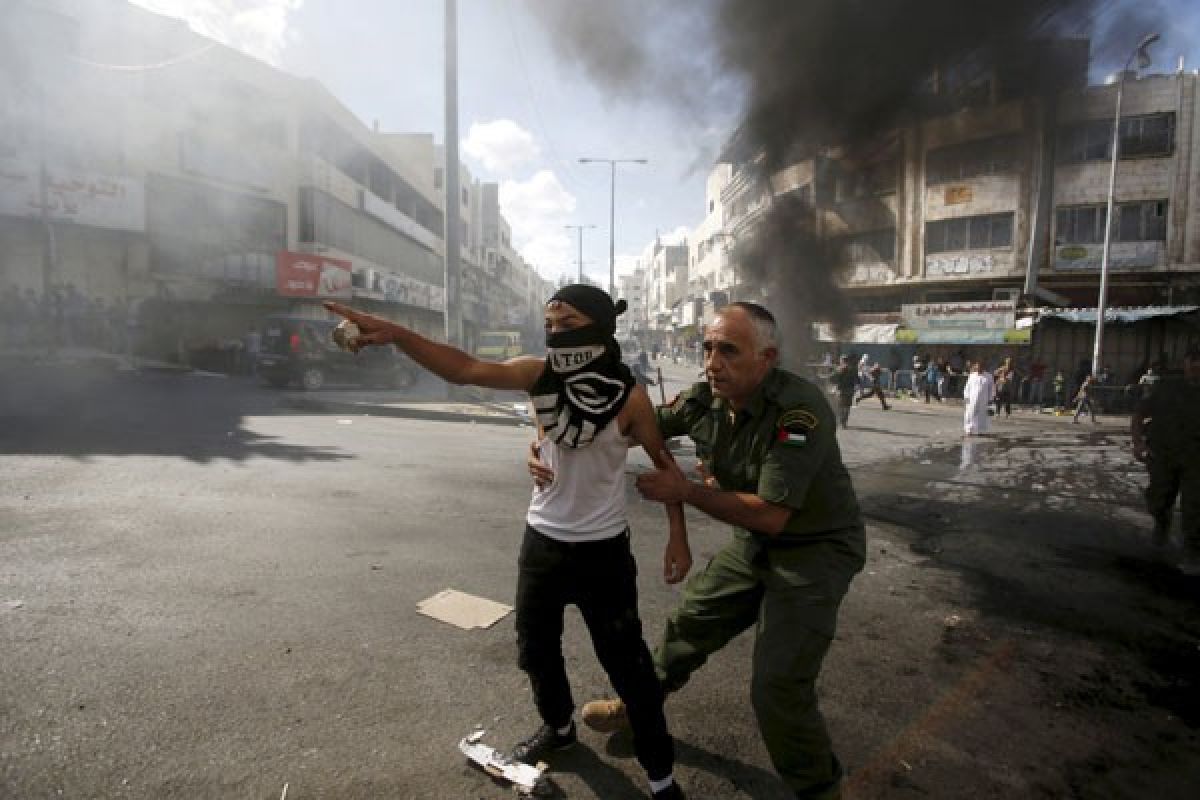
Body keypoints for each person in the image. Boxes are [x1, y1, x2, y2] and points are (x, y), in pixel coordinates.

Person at [327, 286, 689, 799]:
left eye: (568, 324)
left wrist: (678, 537)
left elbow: (665, 466)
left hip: (604, 552)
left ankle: (661, 778)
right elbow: (464, 369)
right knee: (536, 651)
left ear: (599, 327)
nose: (556, 334)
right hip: (541, 543)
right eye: (551, 324)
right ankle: (560, 730)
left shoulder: (630, 398)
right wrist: (400, 335)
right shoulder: (538, 376)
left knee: (628, 667)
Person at [539, 303, 866, 800]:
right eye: (708, 348)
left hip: (814, 547)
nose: (713, 362)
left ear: (767, 358)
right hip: (757, 542)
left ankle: (820, 790)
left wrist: (685, 491)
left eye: (729, 351)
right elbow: (623, 422)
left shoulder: (798, 412)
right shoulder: (704, 401)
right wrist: (543, 441)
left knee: (778, 686)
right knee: (692, 620)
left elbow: (772, 514)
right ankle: (637, 705)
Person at [1132, 345, 1200, 574]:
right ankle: (1162, 524)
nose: (1196, 365)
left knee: (1195, 507)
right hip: (1163, 456)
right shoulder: (1166, 387)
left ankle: (1192, 551)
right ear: (1184, 362)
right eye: (1192, 359)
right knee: (1158, 500)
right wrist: (1138, 443)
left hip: (1195, 460)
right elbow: (1140, 414)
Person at [962, 362, 994, 435]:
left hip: (984, 399)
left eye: (981, 366)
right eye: (978, 366)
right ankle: (969, 429)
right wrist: (966, 396)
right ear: (976, 367)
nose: (979, 368)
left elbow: (991, 388)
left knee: (982, 414)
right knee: (970, 413)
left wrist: (990, 399)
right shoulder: (972, 375)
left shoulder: (988, 376)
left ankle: (980, 430)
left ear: (983, 367)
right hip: (972, 398)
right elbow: (967, 387)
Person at [830, 354, 857, 427]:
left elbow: (833, 379)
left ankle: (842, 420)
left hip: (842, 390)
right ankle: (844, 421)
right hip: (850, 390)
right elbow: (856, 380)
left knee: (841, 406)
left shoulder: (839, 369)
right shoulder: (853, 369)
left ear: (842, 361)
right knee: (847, 406)